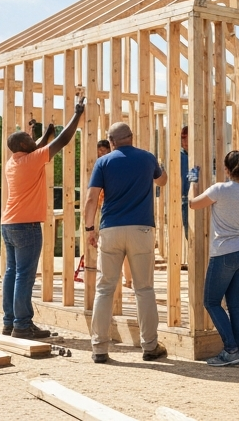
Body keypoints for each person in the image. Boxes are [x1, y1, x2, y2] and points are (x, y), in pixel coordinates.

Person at [0, 96, 85, 338]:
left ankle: (9, 322)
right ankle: (23, 325)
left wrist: (40, 131)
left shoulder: (13, 162)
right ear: (24, 147)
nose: (33, 140)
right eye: (29, 139)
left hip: (9, 224)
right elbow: (63, 139)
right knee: (24, 275)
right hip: (26, 226)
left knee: (12, 272)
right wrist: (77, 114)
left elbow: (37, 145)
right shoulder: (32, 159)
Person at [84, 121, 168, 364]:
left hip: (110, 229)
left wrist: (90, 228)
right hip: (141, 229)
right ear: (131, 137)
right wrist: (156, 165)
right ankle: (150, 346)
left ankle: (99, 348)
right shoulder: (147, 158)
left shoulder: (104, 162)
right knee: (144, 289)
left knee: (105, 289)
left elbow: (91, 199)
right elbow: (161, 181)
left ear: (111, 142)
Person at [188, 151, 239, 366]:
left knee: (211, 301)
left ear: (226, 170)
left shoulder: (219, 189)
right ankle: (238, 351)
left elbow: (193, 204)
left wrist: (193, 181)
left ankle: (231, 349)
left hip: (225, 252)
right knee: (235, 304)